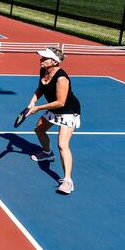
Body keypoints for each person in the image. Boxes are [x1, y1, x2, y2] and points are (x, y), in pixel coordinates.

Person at [26, 47, 81, 195]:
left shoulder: (62, 78)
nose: (41, 60)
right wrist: (32, 102)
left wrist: (38, 108)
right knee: (39, 129)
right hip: (54, 108)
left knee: (62, 145)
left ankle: (68, 181)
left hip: (68, 111)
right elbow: (41, 88)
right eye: (42, 57)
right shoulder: (43, 70)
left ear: (55, 62)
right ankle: (47, 153)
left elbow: (60, 102)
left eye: (45, 58)